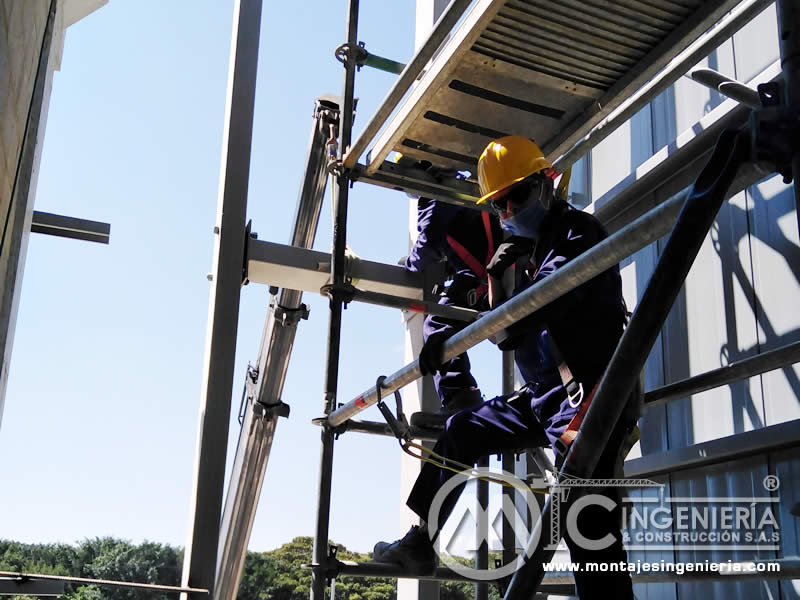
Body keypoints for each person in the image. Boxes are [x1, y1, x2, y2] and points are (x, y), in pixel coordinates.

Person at [373, 136, 640, 600]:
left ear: (546, 184)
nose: (509, 210)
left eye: (517, 195)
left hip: (591, 399)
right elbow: (506, 334)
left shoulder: (577, 234)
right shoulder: (529, 248)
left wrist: (500, 284)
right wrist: (451, 330)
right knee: (464, 430)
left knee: (590, 538)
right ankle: (422, 540)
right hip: (545, 398)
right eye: (499, 204)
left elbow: (518, 323)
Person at [403, 190, 503, 424]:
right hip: (494, 271)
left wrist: (410, 264)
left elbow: (429, 243)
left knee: (438, 324)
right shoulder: (465, 188)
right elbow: (462, 240)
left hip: (479, 276)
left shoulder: (437, 195)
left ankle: (460, 396)